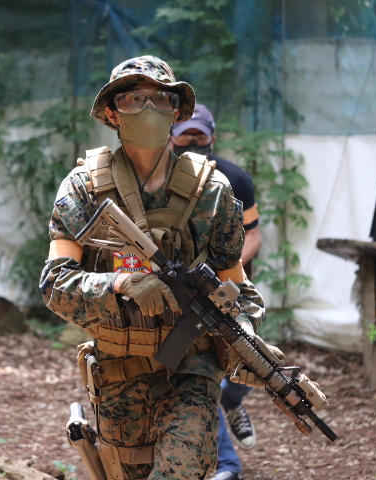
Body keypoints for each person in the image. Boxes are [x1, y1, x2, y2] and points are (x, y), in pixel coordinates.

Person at [40, 56, 282, 480]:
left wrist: (246, 338)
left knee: (179, 471)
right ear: (112, 113)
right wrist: (121, 284)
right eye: (134, 99)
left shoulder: (213, 192)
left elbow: (238, 290)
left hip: (193, 371)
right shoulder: (83, 188)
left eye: (160, 99)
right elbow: (54, 284)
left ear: (177, 111)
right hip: (117, 374)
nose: (148, 108)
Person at [170, 104, 262, 480]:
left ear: (212, 137)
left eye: (199, 135)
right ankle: (227, 465)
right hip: (182, 295)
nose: (192, 141)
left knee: (253, 359)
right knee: (199, 370)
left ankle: (231, 401)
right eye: (185, 135)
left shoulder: (235, 178)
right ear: (170, 138)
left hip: (231, 288)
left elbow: (253, 235)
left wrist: (225, 270)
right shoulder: (159, 182)